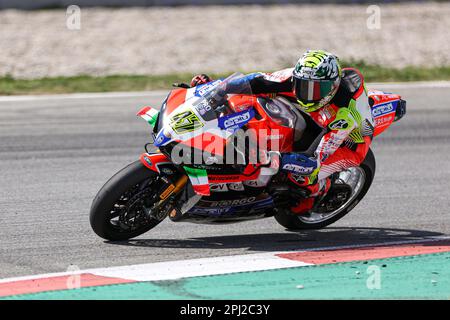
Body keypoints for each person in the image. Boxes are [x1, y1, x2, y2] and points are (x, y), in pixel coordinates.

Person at [190, 50, 374, 215]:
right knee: (251, 97)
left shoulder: (344, 116)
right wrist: (216, 88)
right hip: (318, 115)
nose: (307, 93)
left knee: (302, 177)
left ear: (332, 87)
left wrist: (277, 158)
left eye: (316, 89)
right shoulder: (292, 77)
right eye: (303, 85)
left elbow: (315, 159)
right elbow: (255, 80)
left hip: (349, 142)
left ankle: (317, 193)